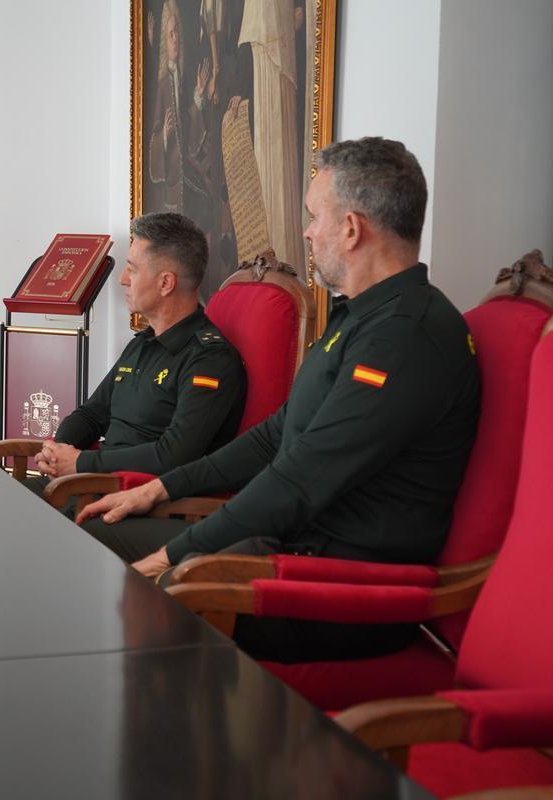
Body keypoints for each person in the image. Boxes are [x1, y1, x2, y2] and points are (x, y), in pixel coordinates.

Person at [77, 137, 481, 662]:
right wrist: (158, 489)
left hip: (339, 588)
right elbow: (276, 435)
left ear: (352, 229)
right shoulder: (362, 316)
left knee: (143, 594)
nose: (308, 233)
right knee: (95, 531)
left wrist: (170, 557)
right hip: (290, 546)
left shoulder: (403, 337)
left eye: (315, 217)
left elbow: (301, 481)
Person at [29, 212, 246, 489]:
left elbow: (173, 455)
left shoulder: (210, 359)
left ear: (166, 283)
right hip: (97, 483)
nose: (122, 279)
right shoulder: (142, 344)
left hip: (145, 501)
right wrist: (56, 450)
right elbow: (92, 415)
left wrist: (82, 463)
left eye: (132, 269)